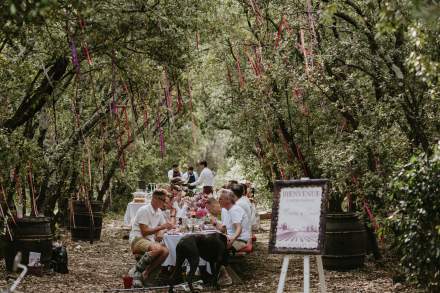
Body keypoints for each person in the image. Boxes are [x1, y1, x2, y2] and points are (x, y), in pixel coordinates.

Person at [129, 189, 174, 281]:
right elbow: (144, 232)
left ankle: (147, 273)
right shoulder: (144, 210)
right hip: (137, 239)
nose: (164, 203)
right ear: (155, 199)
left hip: (149, 240)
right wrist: (161, 228)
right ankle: (137, 270)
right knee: (157, 248)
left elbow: (163, 227)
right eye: (163, 200)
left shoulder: (158, 212)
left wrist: (160, 232)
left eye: (165, 200)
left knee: (166, 251)